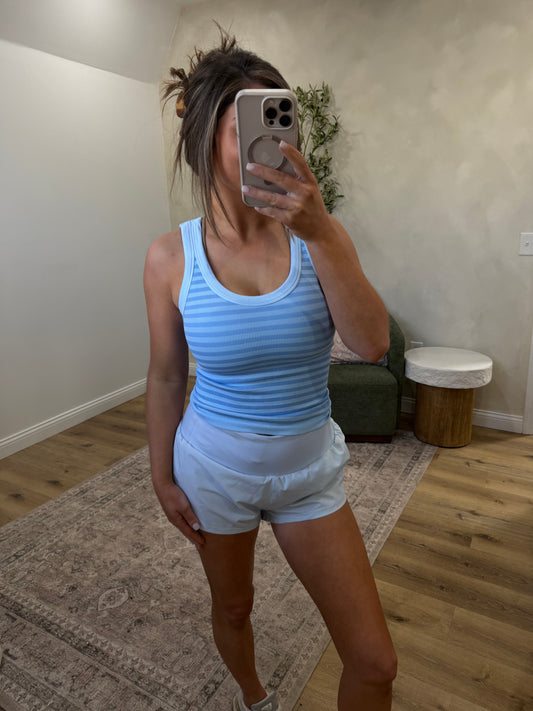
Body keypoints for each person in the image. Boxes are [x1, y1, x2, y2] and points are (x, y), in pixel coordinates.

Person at [144, 29, 397, 711]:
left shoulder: (320, 235)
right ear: (205, 140)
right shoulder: (169, 258)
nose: (275, 144)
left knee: (375, 661)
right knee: (234, 607)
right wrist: (162, 474)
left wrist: (319, 230)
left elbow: (373, 343)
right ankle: (254, 697)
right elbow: (166, 376)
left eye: (280, 121)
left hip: (307, 471)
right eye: (249, 128)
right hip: (213, 469)